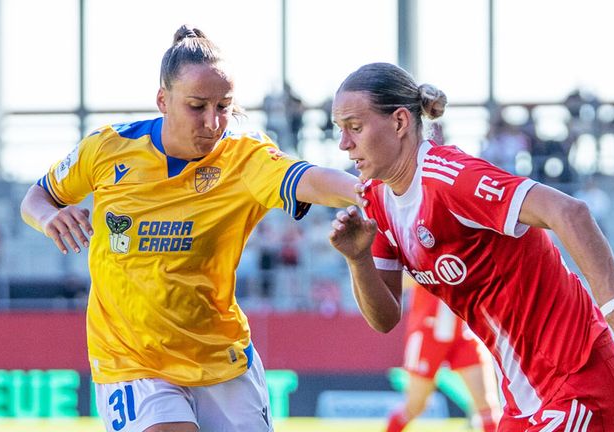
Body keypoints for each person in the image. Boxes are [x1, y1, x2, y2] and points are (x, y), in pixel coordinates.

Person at [20, 25, 360, 432]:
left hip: (220, 357)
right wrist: (49, 217)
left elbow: (308, 178)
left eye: (224, 106)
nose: (213, 122)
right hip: (132, 359)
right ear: (163, 100)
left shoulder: (244, 156)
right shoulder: (107, 149)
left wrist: (369, 191)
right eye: (197, 106)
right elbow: (36, 198)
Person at [328, 62, 614, 432]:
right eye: (340, 130)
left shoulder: (451, 179)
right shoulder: (377, 200)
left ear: (399, 122)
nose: (344, 143)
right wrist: (358, 259)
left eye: (355, 127)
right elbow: (385, 319)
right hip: (523, 401)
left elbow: (569, 211)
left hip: (581, 384)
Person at [387, 280, 501, 432]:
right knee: (415, 406)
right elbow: (397, 280)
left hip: (464, 332)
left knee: (488, 405)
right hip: (428, 332)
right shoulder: (421, 256)